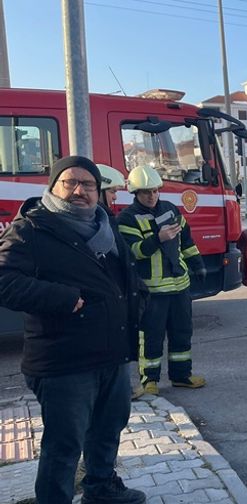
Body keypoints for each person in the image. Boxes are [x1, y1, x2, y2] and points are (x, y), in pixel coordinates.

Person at [0, 156, 145, 504]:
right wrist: (63, 298)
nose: (80, 191)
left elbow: (121, 278)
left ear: (99, 191)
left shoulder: (104, 225)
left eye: (89, 184)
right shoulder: (32, 229)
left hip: (111, 354)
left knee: (108, 430)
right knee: (64, 445)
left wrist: (141, 300)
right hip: (64, 361)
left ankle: (100, 488)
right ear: (54, 186)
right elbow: (4, 281)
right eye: (71, 182)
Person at [118, 166, 206, 395]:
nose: (152, 195)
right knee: (151, 337)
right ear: (135, 193)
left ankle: (181, 376)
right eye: (146, 192)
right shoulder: (127, 218)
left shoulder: (170, 209)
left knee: (182, 332)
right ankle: (150, 381)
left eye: (155, 190)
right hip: (152, 291)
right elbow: (134, 251)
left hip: (180, 287)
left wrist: (197, 264)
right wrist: (158, 238)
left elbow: (186, 241)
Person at [97, 163, 146, 401]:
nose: (116, 196)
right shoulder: (100, 222)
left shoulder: (104, 218)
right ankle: (119, 389)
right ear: (100, 190)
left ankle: (121, 387)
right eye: (112, 191)